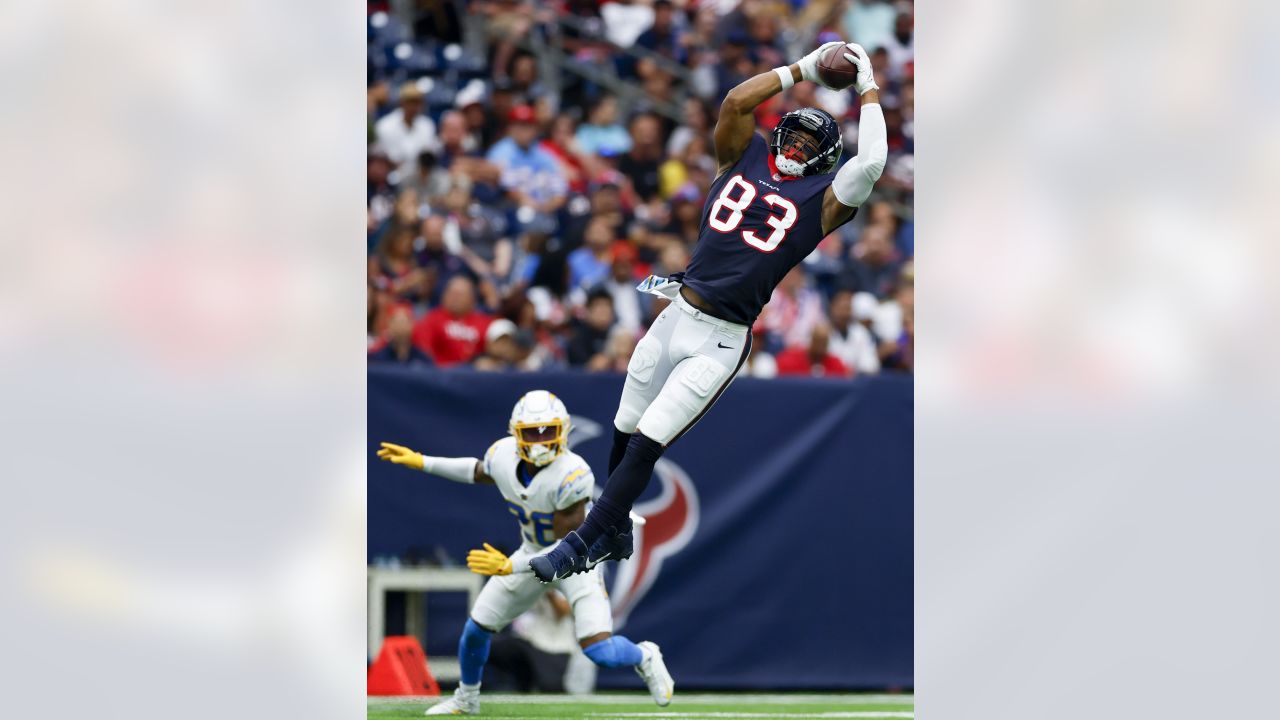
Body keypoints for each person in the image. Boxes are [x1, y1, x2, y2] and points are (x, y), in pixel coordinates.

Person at [530, 40, 887, 581]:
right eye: (793, 133)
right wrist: (805, 68)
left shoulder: (825, 201)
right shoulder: (739, 156)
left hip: (721, 337)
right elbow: (735, 104)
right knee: (625, 425)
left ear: (825, 157)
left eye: (810, 141)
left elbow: (876, 160)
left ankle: (583, 542)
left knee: (650, 436)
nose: (795, 146)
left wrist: (868, 89)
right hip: (676, 311)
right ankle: (617, 532)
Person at [375, 391, 674, 714]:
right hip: (529, 553)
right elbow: (478, 470)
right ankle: (467, 698)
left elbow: (564, 550)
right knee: (476, 629)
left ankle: (644, 655)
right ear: (515, 434)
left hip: (577, 563)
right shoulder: (503, 455)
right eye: (532, 432)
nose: (541, 440)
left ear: (563, 431)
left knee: (599, 649)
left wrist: (510, 566)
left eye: (549, 431)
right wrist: (423, 461)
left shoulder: (572, 473)